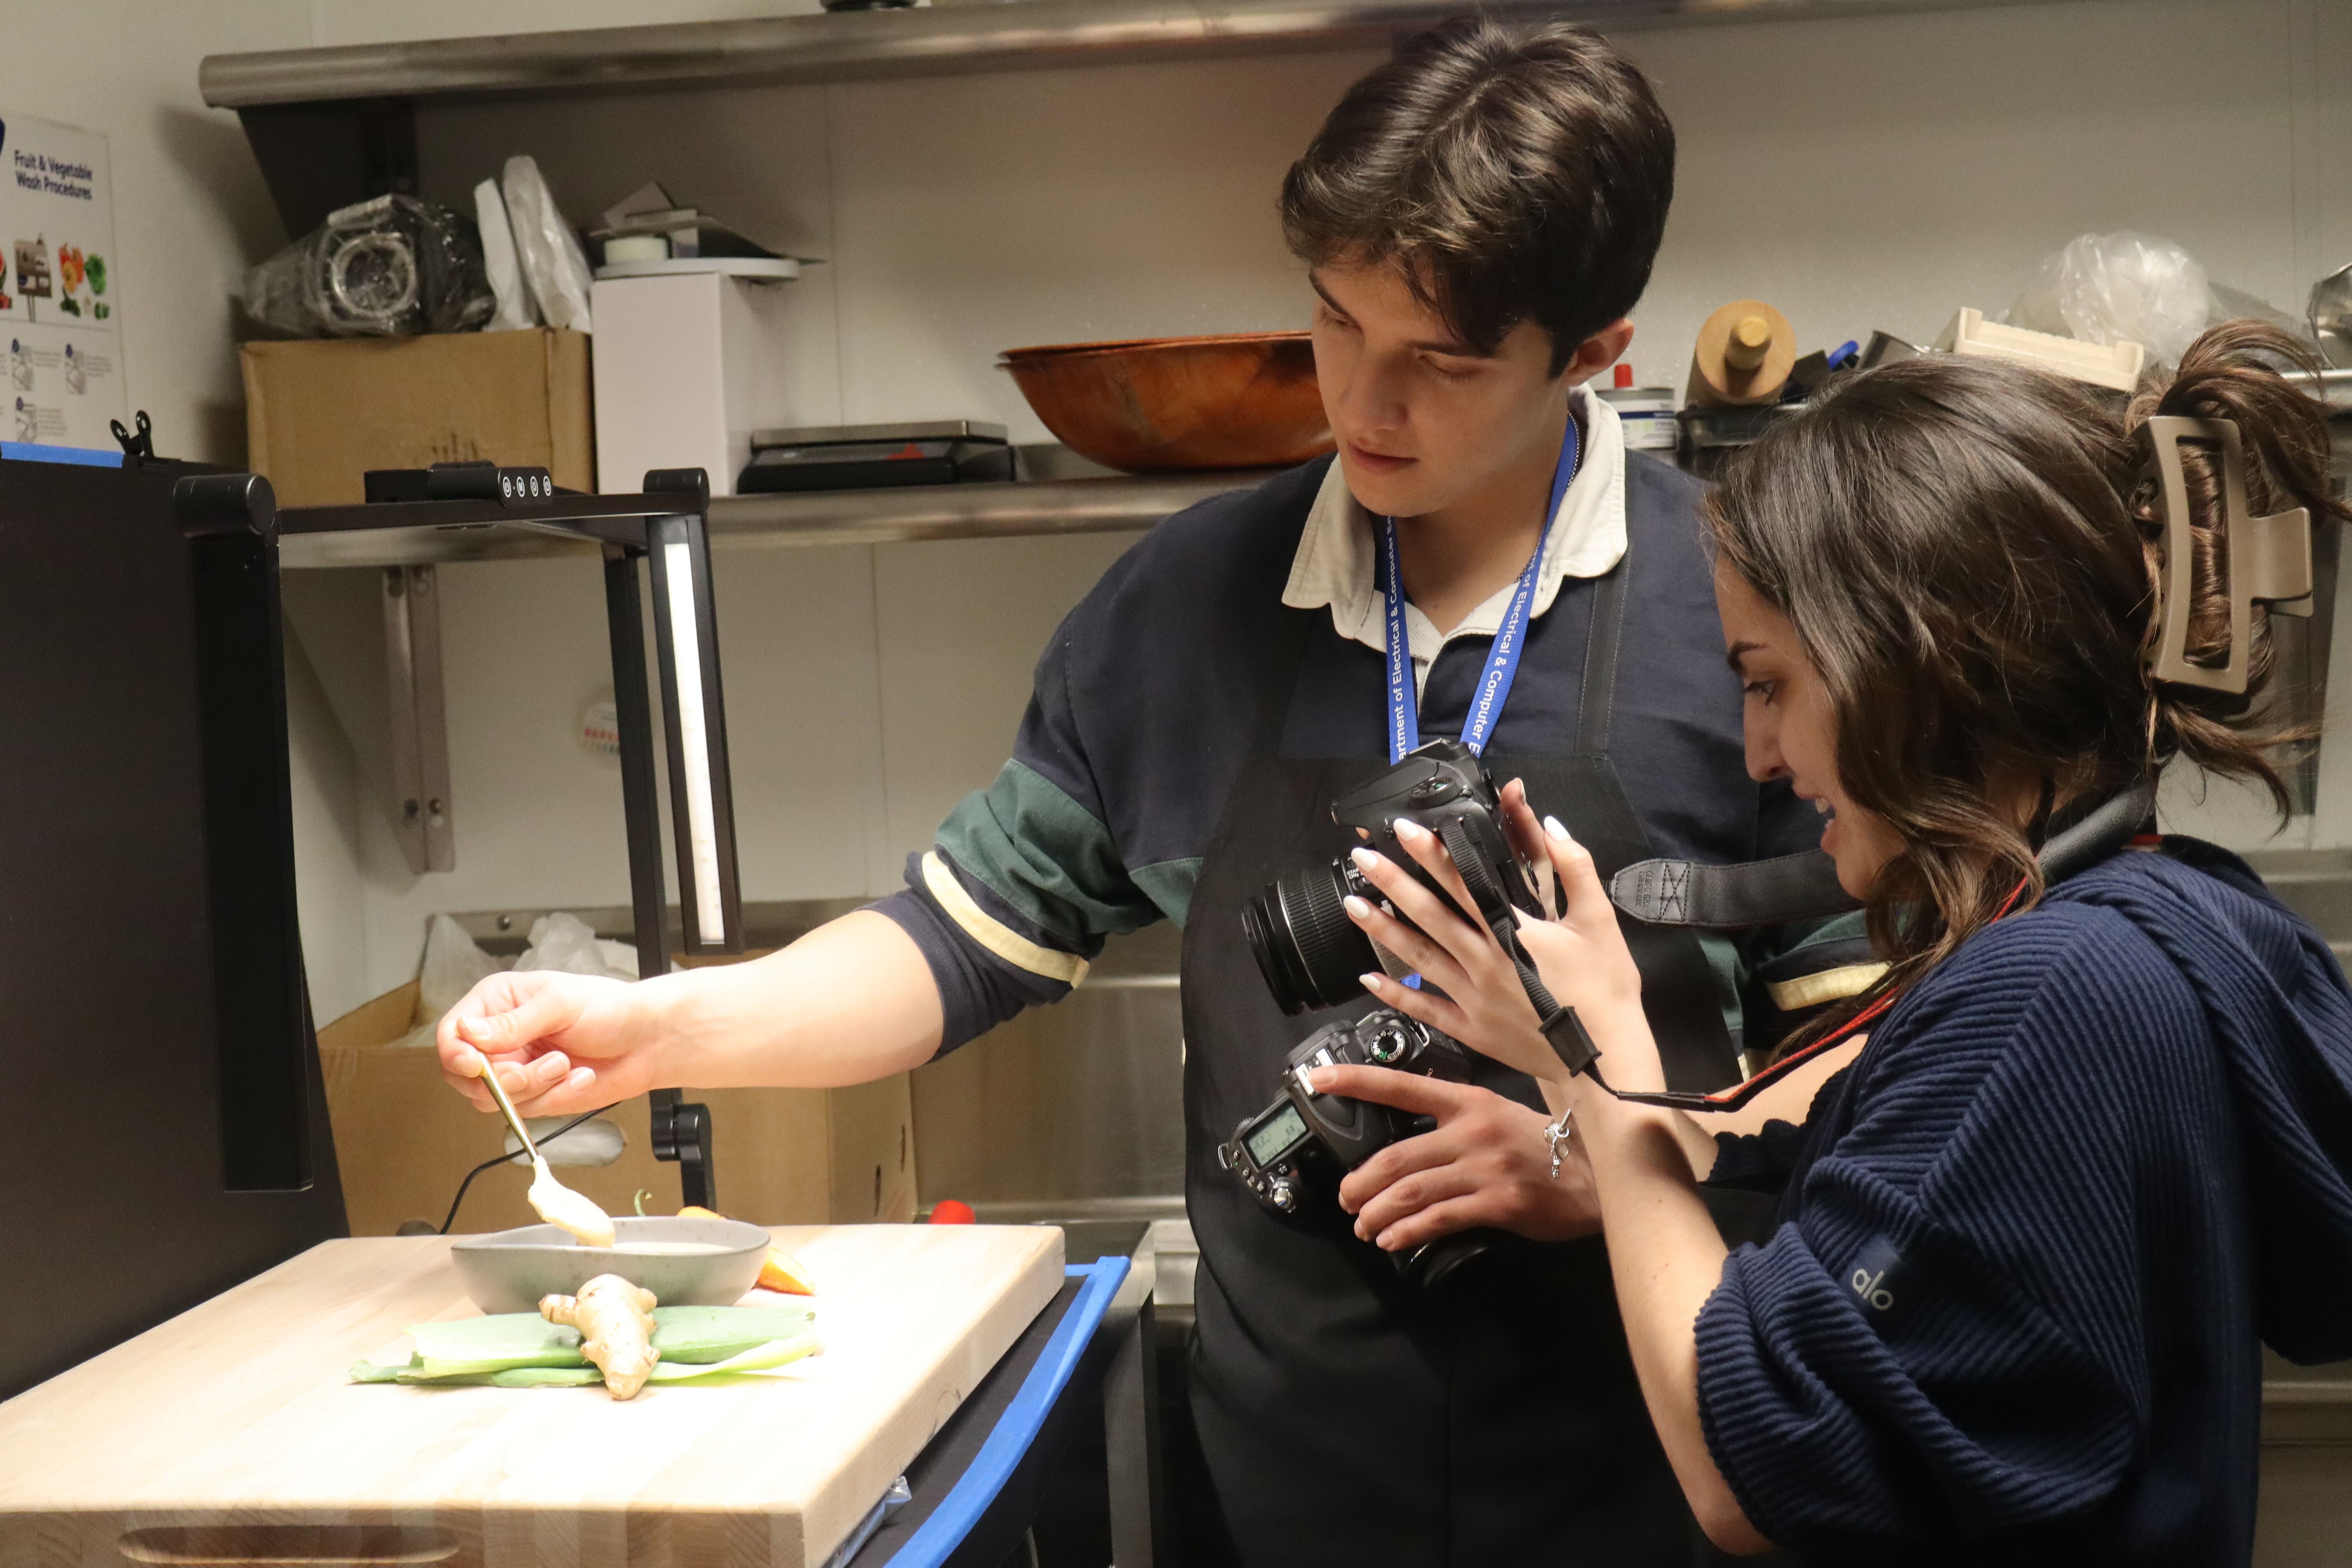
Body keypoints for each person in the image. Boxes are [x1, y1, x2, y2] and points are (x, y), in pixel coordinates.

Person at [435, 18, 1822, 1560]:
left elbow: (1885, 1064)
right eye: (1336, 323)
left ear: (1594, 354)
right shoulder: (1187, 608)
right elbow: (961, 935)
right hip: (1288, 1494)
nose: (1364, 400)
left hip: (1664, 1490)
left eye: (1438, 361)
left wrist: (1606, 1161)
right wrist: (658, 1026)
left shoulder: (1745, 617)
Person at [1329, 321, 2352, 1563]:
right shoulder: (2173, 907)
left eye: (1769, 683)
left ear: (1921, 664)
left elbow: (1745, 1460)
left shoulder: (2052, 990)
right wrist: (1598, 1113)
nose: (1762, 756)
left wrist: (1588, 1050)